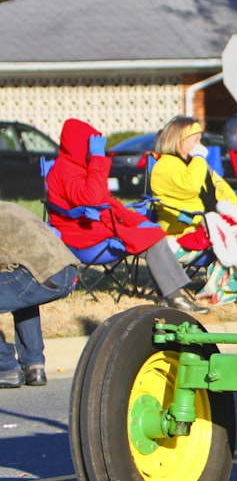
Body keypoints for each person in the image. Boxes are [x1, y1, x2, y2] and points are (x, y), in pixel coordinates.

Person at [45, 118, 209, 313]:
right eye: (90, 145)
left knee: (152, 232)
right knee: (153, 240)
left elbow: (108, 201)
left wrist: (137, 221)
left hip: (95, 227)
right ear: (79, 145)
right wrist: (97, 160)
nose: (94, 150)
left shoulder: (77, 167)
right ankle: (174, 297)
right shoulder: (66, 171)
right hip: (82, 237)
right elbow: (93, 199)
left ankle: (169, 294)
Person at [150, 116, 237, 305]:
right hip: (183, 231)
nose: (199, 145)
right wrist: (200, 159)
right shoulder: (165, 166)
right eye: (195, 140)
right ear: (179, 141)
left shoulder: (195, 164)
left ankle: (233, 285)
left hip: (204, 226)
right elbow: (190, 186)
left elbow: (222, 190)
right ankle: (223, 289)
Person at [0, 202, 80, 388]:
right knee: (22, 295)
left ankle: (5, 367)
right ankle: (34, 366)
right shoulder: (7, 208)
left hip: (43, 274)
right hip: (66, 271)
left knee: (22, 284)